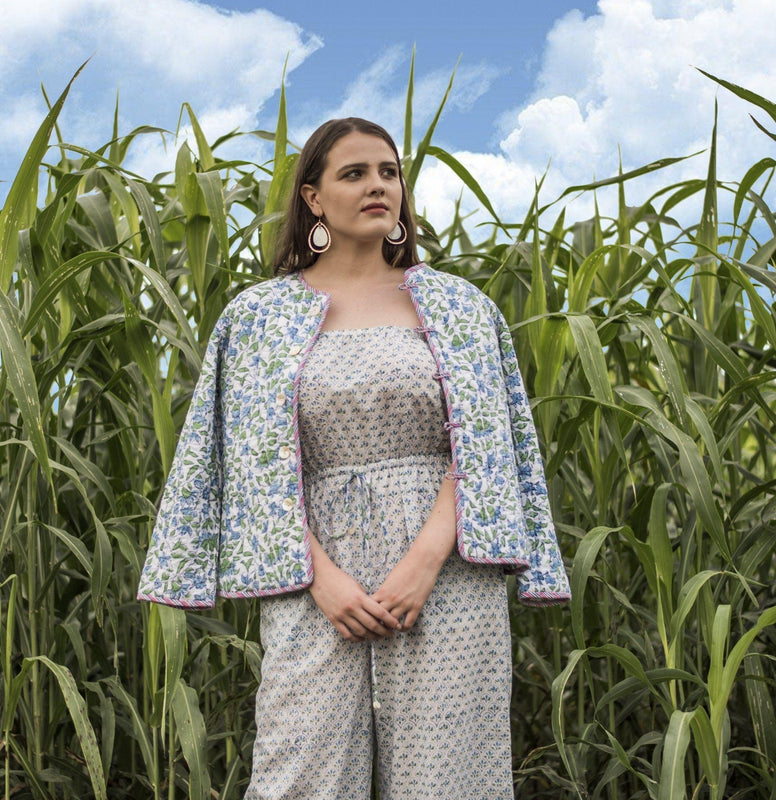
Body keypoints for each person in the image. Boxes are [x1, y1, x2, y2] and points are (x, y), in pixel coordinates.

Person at [138, 117, 570, 799]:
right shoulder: (257, 318)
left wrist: (427, 558)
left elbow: (487, 446)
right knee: (299, 775)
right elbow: (251, 465)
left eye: (389, 172)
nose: (378, 186)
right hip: (311, 574)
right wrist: (323, 579)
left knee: (449, 778)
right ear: (313, 198)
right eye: (354, 173)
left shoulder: (460, 307)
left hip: (449, 569)